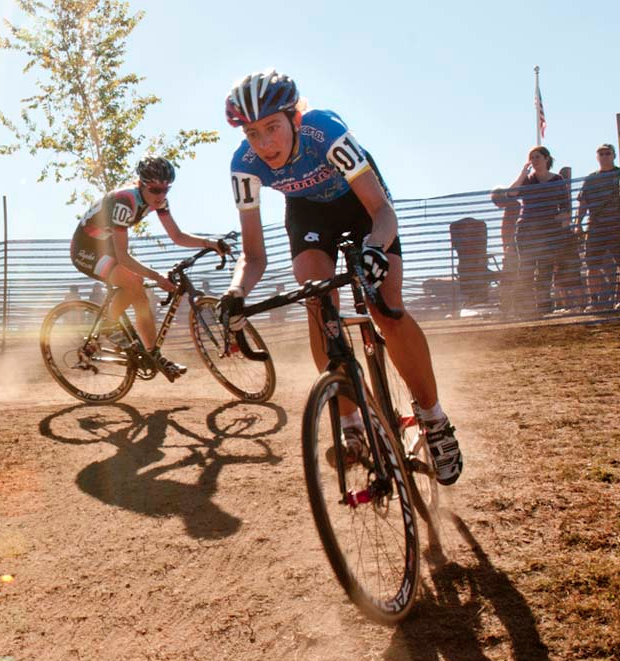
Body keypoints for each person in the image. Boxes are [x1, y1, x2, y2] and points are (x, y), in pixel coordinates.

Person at [216, 69, 462, 485]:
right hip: (309, 215)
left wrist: (374, 249)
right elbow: (253, 256)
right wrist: (236, 290)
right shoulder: (244, 166)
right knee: (317, 301)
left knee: (386, 307)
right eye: (253, 133)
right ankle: (352, 426)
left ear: (295, 119)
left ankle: (434, 418)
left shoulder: (325, 130)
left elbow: (383, 213)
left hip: (363, 206)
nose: (265, 144)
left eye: (272, 128)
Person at [70, 156, 229, 380]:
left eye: (166, 190)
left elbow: (177, 236)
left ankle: (154, 354)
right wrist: (157, 276)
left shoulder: (159, 201)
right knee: (134, 282)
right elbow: (124, 257)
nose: (161, 196)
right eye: (155, 190)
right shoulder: (125, 201)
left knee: (140, 296)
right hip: (85, 248)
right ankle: (108, 325)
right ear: (141, 184)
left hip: (106, 247)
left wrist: (210, 243)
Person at [506, 146, 570, 314]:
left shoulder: (557, 180)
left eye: (538, 157)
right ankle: (524, 308)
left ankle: (543, 307)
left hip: (549, 232)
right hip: (527, 231)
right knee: (526, 268)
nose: (535, 161)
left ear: (546, 159)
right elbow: (511, 194)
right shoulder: (527, 180)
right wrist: (522, 173)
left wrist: (560, 228)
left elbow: (565, 208)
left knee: (545, 269)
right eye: (532, 158)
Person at [574, 144, 620, 310]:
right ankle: (595, 301)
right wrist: (577, 223)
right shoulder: (591, 179)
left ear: (614, 155)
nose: (604, 156)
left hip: (617, 226)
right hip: (596, 227)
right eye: (601, 153)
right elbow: (583, 203)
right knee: (592, 264)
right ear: (597, 156)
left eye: (607, 153)